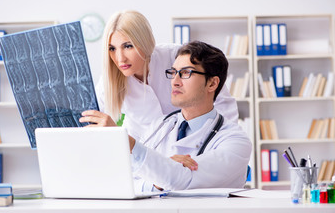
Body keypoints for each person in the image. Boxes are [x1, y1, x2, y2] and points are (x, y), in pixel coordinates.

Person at [80, 10, 239, 142]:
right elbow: (89, 121)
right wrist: (112, 133)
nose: (120, 58)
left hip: (194, 147)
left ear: (144, 41)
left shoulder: (177, 58)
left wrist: (218, 145)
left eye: (128, 46)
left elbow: (223, 104)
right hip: (144, 162)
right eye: (112, 48)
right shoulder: (110, 80)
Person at [126, 41, 252, 191]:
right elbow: (127, 182)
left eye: (186, 73)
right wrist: (156, 182)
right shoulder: (160, 126)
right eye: (173, 72)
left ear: (212, 84)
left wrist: (130, 145)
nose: (175, 82)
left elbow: (181, 179)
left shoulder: (235, 142)